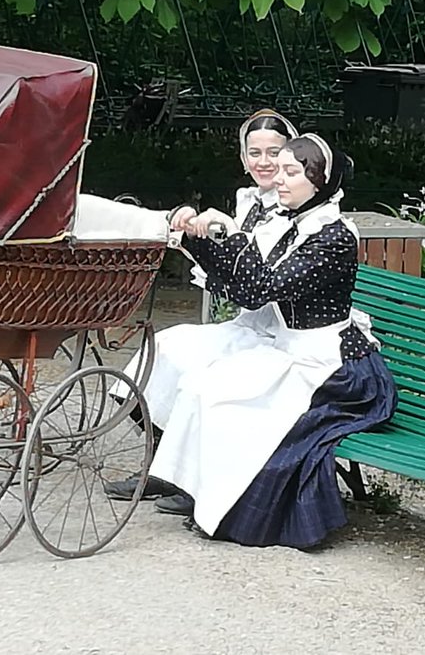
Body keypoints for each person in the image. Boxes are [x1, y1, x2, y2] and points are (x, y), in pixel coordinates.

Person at [126, 134, 397, 549]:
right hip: (287, 349)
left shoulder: (335, 237)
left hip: (334, 370)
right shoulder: (292, 225)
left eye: (294, 172)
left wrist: (232, 232)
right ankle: (196, 490)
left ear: (321, 181)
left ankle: (232, 508)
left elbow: (260, 288)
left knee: (219, 396)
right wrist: (197, 236)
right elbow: (241, 283)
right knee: (202, 385)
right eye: (282, 171)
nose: (281, 180)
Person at [109, 108, 299, 499]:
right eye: (255, 153)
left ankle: (198, 480)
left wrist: (220, 237)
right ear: (244, 158)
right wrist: (193, 233)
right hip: (248, 320)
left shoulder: (294, 208)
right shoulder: (249, 200)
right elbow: (230, 263)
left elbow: (258, 275)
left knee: (203, 376)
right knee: (162, 349)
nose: (264, 162)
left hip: (279, 330)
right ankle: (164, 465)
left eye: (274, 153)